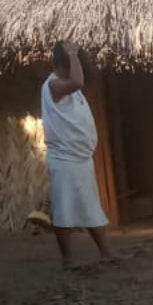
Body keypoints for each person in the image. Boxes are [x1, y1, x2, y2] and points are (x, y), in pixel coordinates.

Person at [41, 42, 116, 270]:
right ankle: (68, 261)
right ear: (61, 65)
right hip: (65, 160)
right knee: (64, 210)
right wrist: (73, 53)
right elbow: (77, 81)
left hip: (80, 159)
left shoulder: (70, 89)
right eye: (72, 64)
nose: (76, 69)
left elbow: (77, 82)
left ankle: (106, 253)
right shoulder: (54, 85)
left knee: (90, 205)